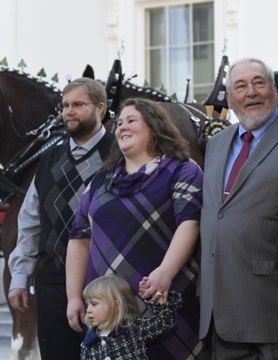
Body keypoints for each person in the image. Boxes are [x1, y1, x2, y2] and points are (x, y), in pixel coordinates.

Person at [66, 97, 207, 359]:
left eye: (131, 121)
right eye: (119, 123)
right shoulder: (99, 181)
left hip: (164, 299)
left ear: (155, 127)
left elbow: (190, 223)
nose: (121, 127)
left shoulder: (183, 171)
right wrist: (74, 297)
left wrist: (165, 272)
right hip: (108, 309)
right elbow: (78, 238)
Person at [198, 58, 278, 359]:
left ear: (274, 90)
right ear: (230, 98)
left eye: (259, 82)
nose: (251, 92)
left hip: (273, 307)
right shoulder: (216, 143)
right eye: (240, 86)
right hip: (220, 308)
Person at [7, 78, 114, 360]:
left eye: (78, 104)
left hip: (110, 281)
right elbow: (29, 223)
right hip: (54, 283)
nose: (69, 111)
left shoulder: (121, 154)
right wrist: (20, 276)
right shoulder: (48, 159)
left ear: (100, 108)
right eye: (65, 105)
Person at [80, 274, 183, 360]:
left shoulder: (134, 328)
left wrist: (155, 298)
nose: (88, 310)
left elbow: (166, 322)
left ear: (116, 306)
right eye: (87, 304)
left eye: (94, 304)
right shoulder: (88, 343)